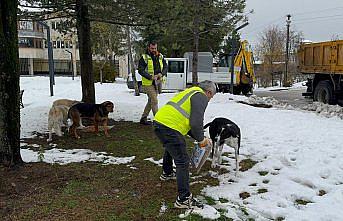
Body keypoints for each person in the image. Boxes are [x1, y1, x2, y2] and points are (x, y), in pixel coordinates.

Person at [153, 80, 216, 209]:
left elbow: (189, 124)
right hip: (170, 126)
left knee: (171, 148)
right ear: (209, 92)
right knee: (182, 161)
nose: (210, 99)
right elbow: (196, 122)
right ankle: (184, 199)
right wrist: (201, 140)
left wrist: (201, 137)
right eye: (211, 96)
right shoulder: (201, 96)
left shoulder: (190, 91)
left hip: (160, 122)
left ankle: (167, 172)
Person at [138, 41, 167, 125]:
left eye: (155, 48)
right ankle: (158, 120)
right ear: (149, 48)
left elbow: (165, 67)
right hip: (148, 83)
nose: (154, 50)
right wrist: (150, 77)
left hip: (157, 82)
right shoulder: (144, 57)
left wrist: (162, 73)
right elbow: (140, 70)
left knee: (151, 100)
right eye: (152, 48)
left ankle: (143, 118)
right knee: (154, 100)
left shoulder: (160, 56)